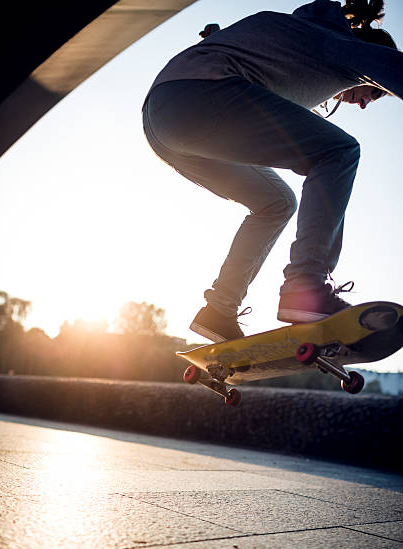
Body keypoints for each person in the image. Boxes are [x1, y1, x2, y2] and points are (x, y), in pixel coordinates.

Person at [142, 0, 401, 343]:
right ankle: (305, 285)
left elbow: (251, 48)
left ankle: (219, 309)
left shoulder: (303, 43)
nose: (366, 102)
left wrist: (214, 38)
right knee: (339, 151)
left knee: (276, 202)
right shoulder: (342, 44)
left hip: (164, 123)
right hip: (199, 96)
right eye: (375, 91)